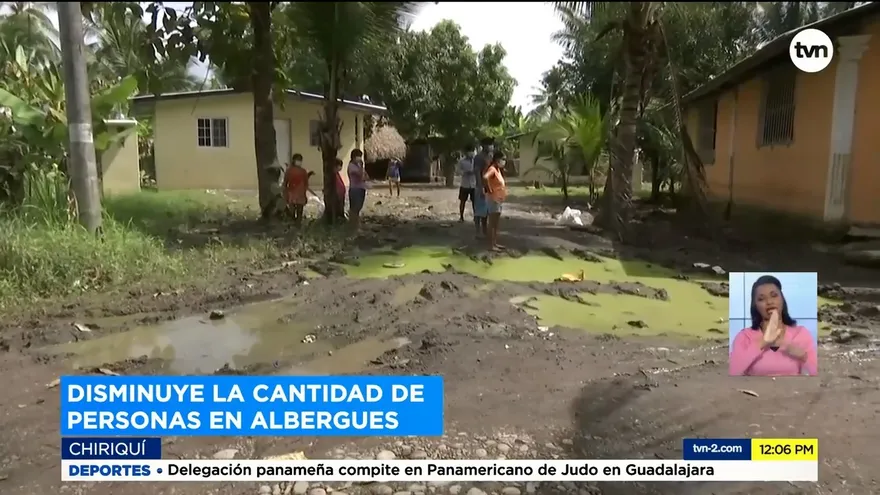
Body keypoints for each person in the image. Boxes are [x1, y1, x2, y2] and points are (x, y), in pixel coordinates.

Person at [729, 275, 818, 376]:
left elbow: (816, 373)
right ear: (755, 306)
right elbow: (733, 371)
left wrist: (802, 355)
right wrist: (764, 342)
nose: (769, 302)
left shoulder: (800, 333)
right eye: (761, 299)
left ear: (782, 300)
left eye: (774, 295)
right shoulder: (745, 336)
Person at [483, 150, 508, 251]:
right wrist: (489, 189)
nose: (504, 161)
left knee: (496, 224)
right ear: (498, 159)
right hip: (493, 199)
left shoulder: (497, 170)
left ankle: (495, 243)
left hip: (498, 199)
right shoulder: (492, 169)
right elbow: (485, 177)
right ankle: (491, 245)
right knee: (492, 223)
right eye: (503, 159)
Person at [472, 138, 493, 237]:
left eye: (491, 144)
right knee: (479, 211)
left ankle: (484, 230)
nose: (491, 146)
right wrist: (480, 188)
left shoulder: (490, 157)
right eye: (489, 144)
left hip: (489, 186)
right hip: (480, 186)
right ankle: (477, 231)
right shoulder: (479, 157)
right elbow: (477, 172)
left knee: (487, 211)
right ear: (483, 145)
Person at [282, 153, 312, 225]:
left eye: (300, 160)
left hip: (300, 193)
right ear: (294, 161)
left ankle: (298, 224)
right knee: (292, 210)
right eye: (298, 160)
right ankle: (292, 223)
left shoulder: (303, 171)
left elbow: (306, 183)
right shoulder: (289, 171)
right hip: (292, 193)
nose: (299, 162)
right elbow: (285, 182)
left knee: (299, 210)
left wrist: (305, 191)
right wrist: (285, 193)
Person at [347, 148, 368, 229]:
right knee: (354, 208)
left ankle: (356, 225)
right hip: (355, 189)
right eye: (358, 156)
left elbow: (365, 176)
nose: (359, 158)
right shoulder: (351, 166)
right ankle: (352, 225)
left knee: (358, 208)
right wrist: (361, 167)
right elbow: (360, 175)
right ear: (354, 157)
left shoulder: (359, 165)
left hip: (361, 188)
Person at [457, 144, 476, 222]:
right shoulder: (462, 161)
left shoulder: (476, 160)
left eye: (472, 151)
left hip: (474, 184)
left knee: (475, 202)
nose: (471, 153)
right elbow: (458, 171)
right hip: (464, 184)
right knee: (462, 201)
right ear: (466, 152)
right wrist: (465, 172)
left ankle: (476, 217)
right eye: (469, 151)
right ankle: (461, 217)